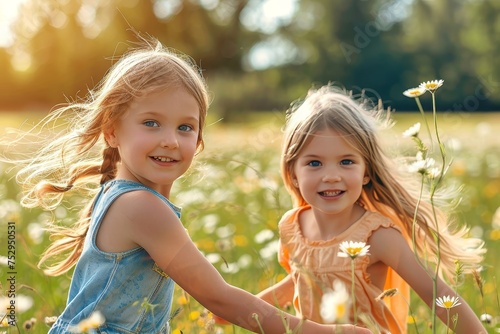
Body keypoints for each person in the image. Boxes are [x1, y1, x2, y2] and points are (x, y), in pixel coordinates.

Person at [2, 38, 372, 334]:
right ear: (112, 130)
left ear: (198, 141)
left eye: (185, 127)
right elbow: (221, 298)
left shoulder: (129, 197)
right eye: (151, 123)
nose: (170, 140)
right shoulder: (140, 208)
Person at [256, 85, 487, 334]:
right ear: (293, 173)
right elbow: (301, 282)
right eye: (314, 163)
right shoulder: (292, 227)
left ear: (366, 171)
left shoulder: (377, 236)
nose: (331, 176)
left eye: (346, 162)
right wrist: (237, 309)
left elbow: (437, 295)